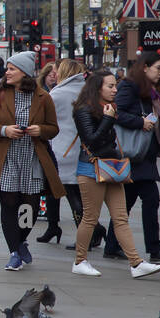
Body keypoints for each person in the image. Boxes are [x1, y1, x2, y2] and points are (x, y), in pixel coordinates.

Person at [69, 70, 160, 279]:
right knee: (90, 218)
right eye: (110, 86)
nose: (115, 90)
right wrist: (107, 119)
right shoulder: (84, 110)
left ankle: (136, 263)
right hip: (91, 169)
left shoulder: (110, 108)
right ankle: (80, 260)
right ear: (97, 88)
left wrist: (110, 116)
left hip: (112, 168)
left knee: (120, 217)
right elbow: (92, 141)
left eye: (115, 86)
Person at [0, 51, 64, 271]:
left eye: (12, 69)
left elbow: (53, 129)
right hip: (6, 159)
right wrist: (5, 130)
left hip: (32, 158)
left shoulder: (43, 97)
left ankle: (22, 239)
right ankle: (14, 251)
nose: (7, 72)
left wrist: (39, 130)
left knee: (30, 206)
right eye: (8, 68)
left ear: (24, 72)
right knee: (9, 203)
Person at [102, 51, 160, 263]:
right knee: (149, 199)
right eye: (158, 68)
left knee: (128, 202)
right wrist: (140, 122)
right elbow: (116, 112)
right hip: (133, 155)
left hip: (142, 156)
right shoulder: (130, 86)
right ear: (144, 67)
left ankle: (113, 245)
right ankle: (154, 248)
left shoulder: (148, 91)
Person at [45, 59, 95, 249]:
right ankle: (92, 231)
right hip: (81, 149)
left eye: (56, 70)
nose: (54, 74)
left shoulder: (57, 94)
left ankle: (86, 236)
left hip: (62, 149)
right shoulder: (86, 90)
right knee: (77, 194)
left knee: (72, 195)